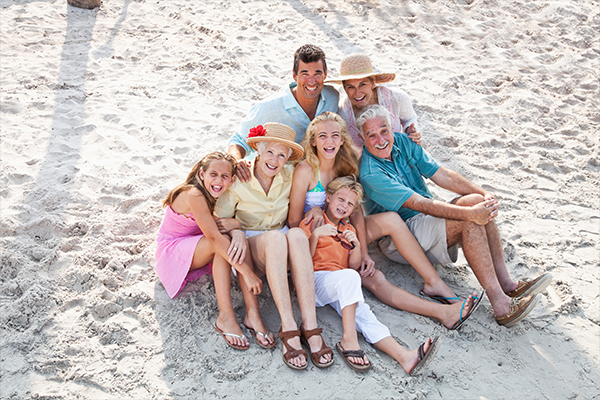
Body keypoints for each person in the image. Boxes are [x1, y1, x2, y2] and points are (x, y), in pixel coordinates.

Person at [357, 105, 552, 327]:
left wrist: (482, 194)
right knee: (467, 220)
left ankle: (507, 284)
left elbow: (443, 175)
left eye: (384, 131)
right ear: (363, 139)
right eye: (371, 135)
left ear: (392, 128)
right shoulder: (370, 172)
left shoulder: (402, 142)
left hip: (423, 221)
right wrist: (469, 213)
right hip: (400, 236)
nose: (380, 139)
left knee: (477, 204)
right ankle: (501, 305)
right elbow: (420, 205)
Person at [289, 112, 483, 330]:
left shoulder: (345, 165)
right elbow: (293, 221)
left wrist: (361, 251)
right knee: (374, 279)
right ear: (313, 140)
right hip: (316, 238)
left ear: (343, 139)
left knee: (390, 222)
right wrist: (315, 210)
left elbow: (355, 213)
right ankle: (442, 312)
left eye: (335, 135)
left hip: (344, 232)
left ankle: (436, 285)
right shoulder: (305, 169)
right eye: (322, 136)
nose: (329, 141)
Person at [215, 122, 334, 370]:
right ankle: (288, 324)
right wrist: (237, 229)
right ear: (258, 149)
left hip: (283, 247)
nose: (275, 159)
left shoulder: (291, 174)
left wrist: (314, 208)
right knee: (278, 237)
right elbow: (219, 222)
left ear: (288, 158)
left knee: (298, 235)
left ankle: (310, 326)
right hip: (251, 250)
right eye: (269, 152)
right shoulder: (239, 179)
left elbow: (311, 192)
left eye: (282, 154)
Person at [300, 176, 441, 375]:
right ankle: (349, 340)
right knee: (350, 278)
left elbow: (354, 265)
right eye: (341, 199)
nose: (344, 206)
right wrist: (316, 235)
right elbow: (300, 260)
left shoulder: (348, 229)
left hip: (339, 283)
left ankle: (404, 357)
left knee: (364, 313)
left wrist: (356, 245)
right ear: (329, 198)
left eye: (350, 204)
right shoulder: (312, 221)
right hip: (312, 283)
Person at [155, 151, 274, 350]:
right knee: (221, 244)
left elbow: (223, 224)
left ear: (232, 179)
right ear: (202, 174)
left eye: (225, 176)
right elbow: (214, 237)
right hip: (172, 250)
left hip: (195, 243)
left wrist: (236, 229)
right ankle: (225, 317)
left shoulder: (217, 193)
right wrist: (247, 272)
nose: (219, 180)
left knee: (231, 241)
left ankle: (253, 314)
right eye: (213, 174)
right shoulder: (194, 194)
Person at [228, 44, 339, 182]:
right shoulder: (269, 108)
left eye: (317, 74)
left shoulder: (333, 97)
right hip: (275, 179)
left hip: (314, 177)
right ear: (294, 75)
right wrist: (237, 162)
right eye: (305, 74)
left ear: (325, 75)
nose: (312, 81)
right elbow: (238, 140)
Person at [326, 53, 421, 155]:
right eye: (351, 87)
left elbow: (409, 119)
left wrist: (410, 130)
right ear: (344, 88)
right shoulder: (342, 114)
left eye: (362, 84)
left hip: (397, 154)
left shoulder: (397, 98)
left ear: (372, 83)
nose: (357, 93)